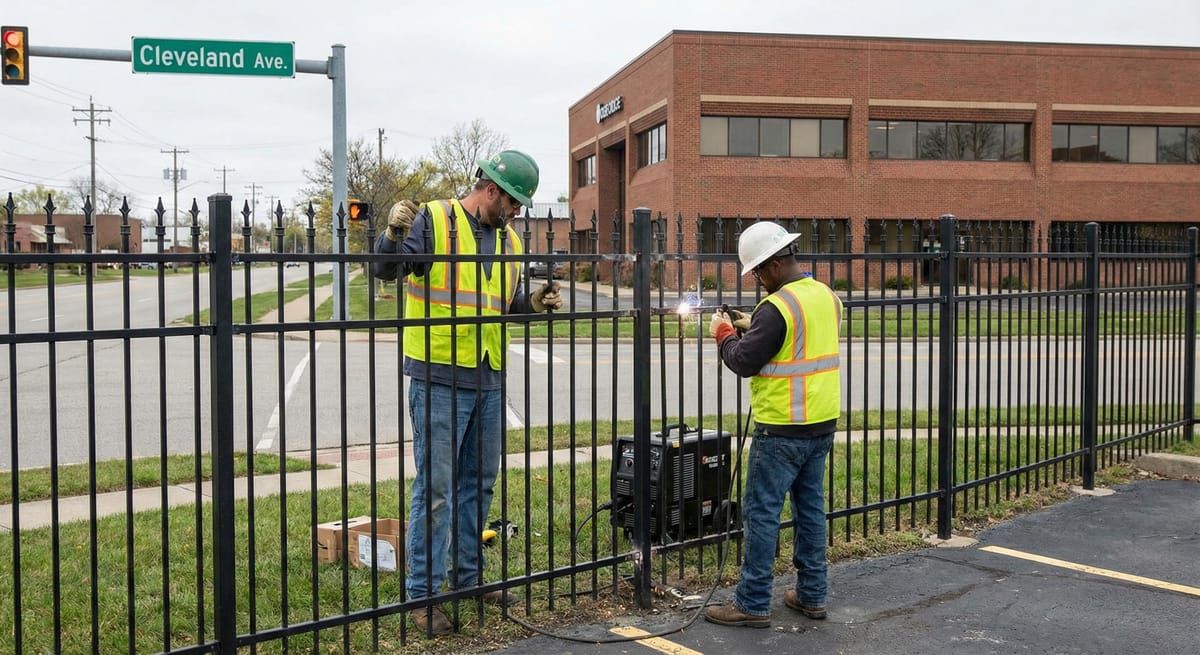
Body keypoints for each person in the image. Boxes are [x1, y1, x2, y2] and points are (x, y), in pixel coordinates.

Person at [373, 150, 562, 635]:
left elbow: (505, 305)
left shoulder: (510, 241)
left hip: (488, 375)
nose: (516, 212)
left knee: (479, 484)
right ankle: (423, 594)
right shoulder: (435, 220)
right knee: (436, 490)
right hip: (438, 374)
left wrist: (533, 303)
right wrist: (392, 234)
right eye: (513, 202)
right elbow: (387, 270)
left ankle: (469, 580)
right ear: (491, 190)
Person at [704, 221, 843, 629]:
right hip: (821, 423)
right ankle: (813, 594)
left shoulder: (776, 308)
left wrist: (724, 333)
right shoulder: (826, 296)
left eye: (758, 273)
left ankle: (752, 602)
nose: (759, 281)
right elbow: (797, 341)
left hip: (782, 427)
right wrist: (755, 328)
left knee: (762, 513)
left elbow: (743, 361)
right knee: (810, 509)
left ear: (774, 265)